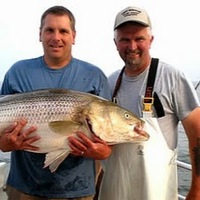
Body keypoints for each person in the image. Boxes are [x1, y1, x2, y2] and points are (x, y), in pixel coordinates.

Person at [0, 5, 111, 200]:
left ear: (73, 36)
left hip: (78, 191)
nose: (56, 37)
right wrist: (4, 144)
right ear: (40, 34)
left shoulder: (94, 76)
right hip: (23, 189)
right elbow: (2, 139)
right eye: (50, 30)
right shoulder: (17, 72)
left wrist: (101, 152)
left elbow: (106, 146)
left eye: (63, 31)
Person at [98, 6, 200, 200]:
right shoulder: (109, 83)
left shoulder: (172, 77)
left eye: (139, 39)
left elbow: (197, 133)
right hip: (114, 191)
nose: (132, 46)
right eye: (125, 40)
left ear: (151, 40)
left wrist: (197, 190)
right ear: (115, 43)